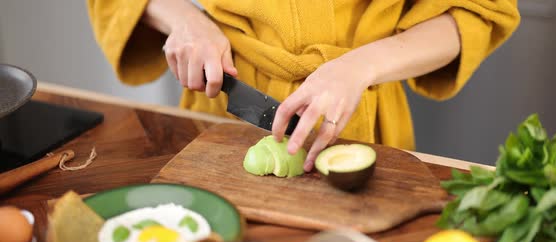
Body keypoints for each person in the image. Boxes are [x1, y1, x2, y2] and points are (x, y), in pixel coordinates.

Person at [87, 0, 519, 172]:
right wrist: (183, 20)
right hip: (221, 102)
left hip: (357, 113)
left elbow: (479, 9)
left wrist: (361, 66)